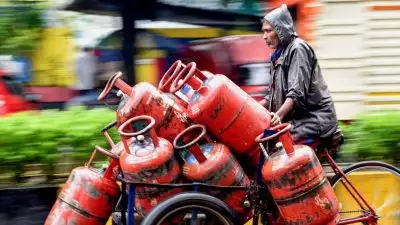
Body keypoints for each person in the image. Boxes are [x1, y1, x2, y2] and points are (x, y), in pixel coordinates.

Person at [259, 4, 340, 149]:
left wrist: (279, 114)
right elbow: (271, 95)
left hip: (314, 119)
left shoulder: (298, 49)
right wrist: (251, 108)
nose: (264, 36)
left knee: (280, 149)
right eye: (263, 32)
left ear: (280, 30)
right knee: (265, 143)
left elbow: (296, 93)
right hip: (299, 120)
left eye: (268, 31)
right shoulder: (277, 55)